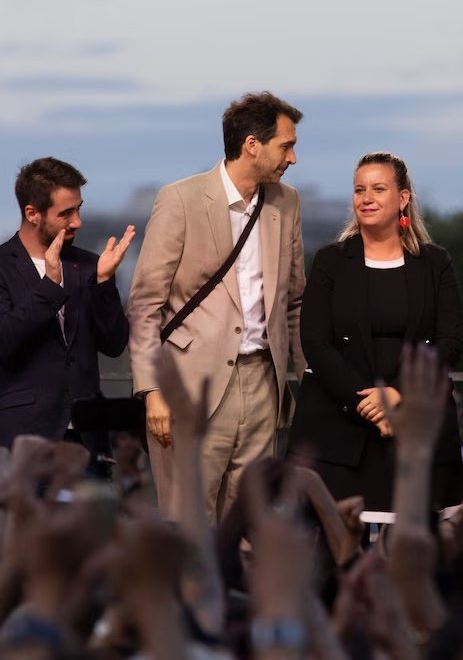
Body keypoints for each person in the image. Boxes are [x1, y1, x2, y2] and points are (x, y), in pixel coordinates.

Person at [127, 92, 307, 520]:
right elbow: (145, 305)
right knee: (190, 524)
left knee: (249, 521)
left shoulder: (287, 201)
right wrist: (152, 392)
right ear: (251, 145)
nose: (293, 158)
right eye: (286, 145)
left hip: (266, 382)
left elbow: (295, 301)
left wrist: (307, 380)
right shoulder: (181, 200)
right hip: (190, 388)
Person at [288, 152, 463, 511]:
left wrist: (398, 394)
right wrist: (369, 404)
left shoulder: (435, 264)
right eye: (359, 190)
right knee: (333, 552)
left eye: (378, 188)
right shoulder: (331, 261)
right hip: (339, 425)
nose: (366, 198)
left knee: (417, 552)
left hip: (415, 421)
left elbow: (450, 342)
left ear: (403, 198)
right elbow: (316, 343)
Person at [0, 157, 135, 447]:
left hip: (89, 435)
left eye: (79, 209)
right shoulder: (2, 267)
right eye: (66, 213)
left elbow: (114, 344)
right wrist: (49, 287)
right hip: (23, 437)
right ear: (32, 213)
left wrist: (103, 283)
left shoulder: (88, 265)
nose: (78, 222)